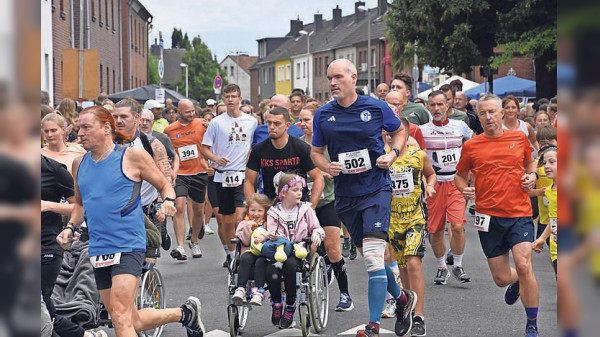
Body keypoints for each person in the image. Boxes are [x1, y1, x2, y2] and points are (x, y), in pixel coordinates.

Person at [56, 106, 205, 337]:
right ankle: (185, 313)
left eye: (86, 127)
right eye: (79, 128)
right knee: (128, 318)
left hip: (128, 243)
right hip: (98, 247)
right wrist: (70, 227)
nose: (80, 133)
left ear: (106, 128)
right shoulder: (79, 164)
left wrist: (167, 201)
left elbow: (165, 185)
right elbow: (81, 206)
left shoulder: (131, 157)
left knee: (119, 317)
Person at [311, 59, 415, 337]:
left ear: (353, 77)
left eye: (338, 77)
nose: (333, 83)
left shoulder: (376, 106)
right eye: (329, 78)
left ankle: (373, 327)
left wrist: (391, 154)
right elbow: (316, 152)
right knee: (374, 259)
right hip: (346, 196)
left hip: (376, 189)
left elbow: (400, 131)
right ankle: (403, 300)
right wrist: (325, 166)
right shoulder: (322, 115)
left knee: (371, 257)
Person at [454, 94, 541, 337]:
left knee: (524, 265)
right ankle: (516, 281)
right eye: (483, 113)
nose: (488, 117)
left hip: (519, 213)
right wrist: (465, 189)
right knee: (502, 278)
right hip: (488, 216)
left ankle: (531, 323)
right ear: (478, 116)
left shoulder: (518, 137)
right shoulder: (471, 146)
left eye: (492, 112)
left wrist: (531, 177)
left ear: (502, 113)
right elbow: (459, 176)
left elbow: (530, 164)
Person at [42, 154, 107, 337]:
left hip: (49, 246)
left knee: (38, 307)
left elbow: (79, 206)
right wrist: (70, 228)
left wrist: (48, 206)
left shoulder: (53, 170)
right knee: (43, 309)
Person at [298, 102, 354, 311]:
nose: (303, 124)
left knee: (332, 248)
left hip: (328, 202)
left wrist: (329, 172)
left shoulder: (330, 146)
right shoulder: (298, 145)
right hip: (304, 206)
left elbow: (344, 169)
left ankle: (345, 295)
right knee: (310, 248)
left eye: (307, 120)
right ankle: (322, 265)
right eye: (301, 120)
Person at [386, 117, 437, 337]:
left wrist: (431, 187)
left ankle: (419, 317)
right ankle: (404, 306)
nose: (391, 138)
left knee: (414, 263)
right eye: (387, 134)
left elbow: (431, 174)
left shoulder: (419, 156)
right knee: (404, 266)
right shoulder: (381, 158)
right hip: (391, 221)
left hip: (414, 218)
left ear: (406, 134)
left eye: (395, 133)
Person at [201, 84, 258, 267]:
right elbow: (204, 149)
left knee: (240, 216)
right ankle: (232, 255)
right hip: (222, 176)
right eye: (227, 97)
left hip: (242, 176)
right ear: (223, 100)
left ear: (240, 99)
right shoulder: (217, 122)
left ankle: (243, 253)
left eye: (234, 96)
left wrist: (251, 158)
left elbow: (253, 144)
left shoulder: (251, 121)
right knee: (226, 220)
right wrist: (216, 159)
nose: (230, 99)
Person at [420, 90, 473, 285]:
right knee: (435, 230)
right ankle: (442, 266)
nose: (436, 109)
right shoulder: (422, 130)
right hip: (434, 184)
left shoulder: (460, 126)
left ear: (447, 106)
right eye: (432, 105)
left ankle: (458, 264)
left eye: (440, 105)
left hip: (456, 182)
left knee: (457, 225)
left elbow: (474, 144)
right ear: (427, 106)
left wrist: (472, 170)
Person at [261, 174, 325, 329]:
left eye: (300, 190)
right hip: (278, 250)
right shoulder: (273, 212)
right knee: (271, 271)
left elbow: (316, 227)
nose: (299, 193)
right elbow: (270, 231)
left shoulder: (306, 209)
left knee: (290, 267)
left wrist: (316, 233)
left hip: (298, 251)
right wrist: (272, 235)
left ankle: (290, 305)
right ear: (283, 193)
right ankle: (276, 304)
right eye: (295, 190)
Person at [245, 106, 324, 204]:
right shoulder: (259, 150)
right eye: (269, 123)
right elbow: (249, 181)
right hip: (271, 205)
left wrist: (311, 207)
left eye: (277, 123)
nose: (272, 127)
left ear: (287, 125)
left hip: (298, 205)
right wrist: (253, 205)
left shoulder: (301, 147)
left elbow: (318, 177)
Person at [164, 99, 209, 260]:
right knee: (180, 207)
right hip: (180, 174)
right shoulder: (169, 130)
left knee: (198, 211)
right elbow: (166, 153)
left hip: (199, 172)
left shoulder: (202, 124)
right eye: (188, 112)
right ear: (179, 112)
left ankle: (194, 240)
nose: (191, 114)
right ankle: (180, 246)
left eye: (193, 111)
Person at [231, 193, 271, 305]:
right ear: (248, 210)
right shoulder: (243, 224)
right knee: (245, 258)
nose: (256, 214)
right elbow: (246, 242)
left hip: (264, 254)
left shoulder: (268, 224)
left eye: (259, 211)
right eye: (253, 210)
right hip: (248, 250)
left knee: (261, 262)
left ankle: (258, 292)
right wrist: (249, 227)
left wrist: (263, 235)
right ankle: (240, 289)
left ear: (265, 212)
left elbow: (273, 236)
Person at [532, 146, 558, 275]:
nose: (546, 166)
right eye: (545, 162)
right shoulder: (548, 191)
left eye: (552, 162)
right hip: (556, 251)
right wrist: (542, 238)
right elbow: (554, 219)